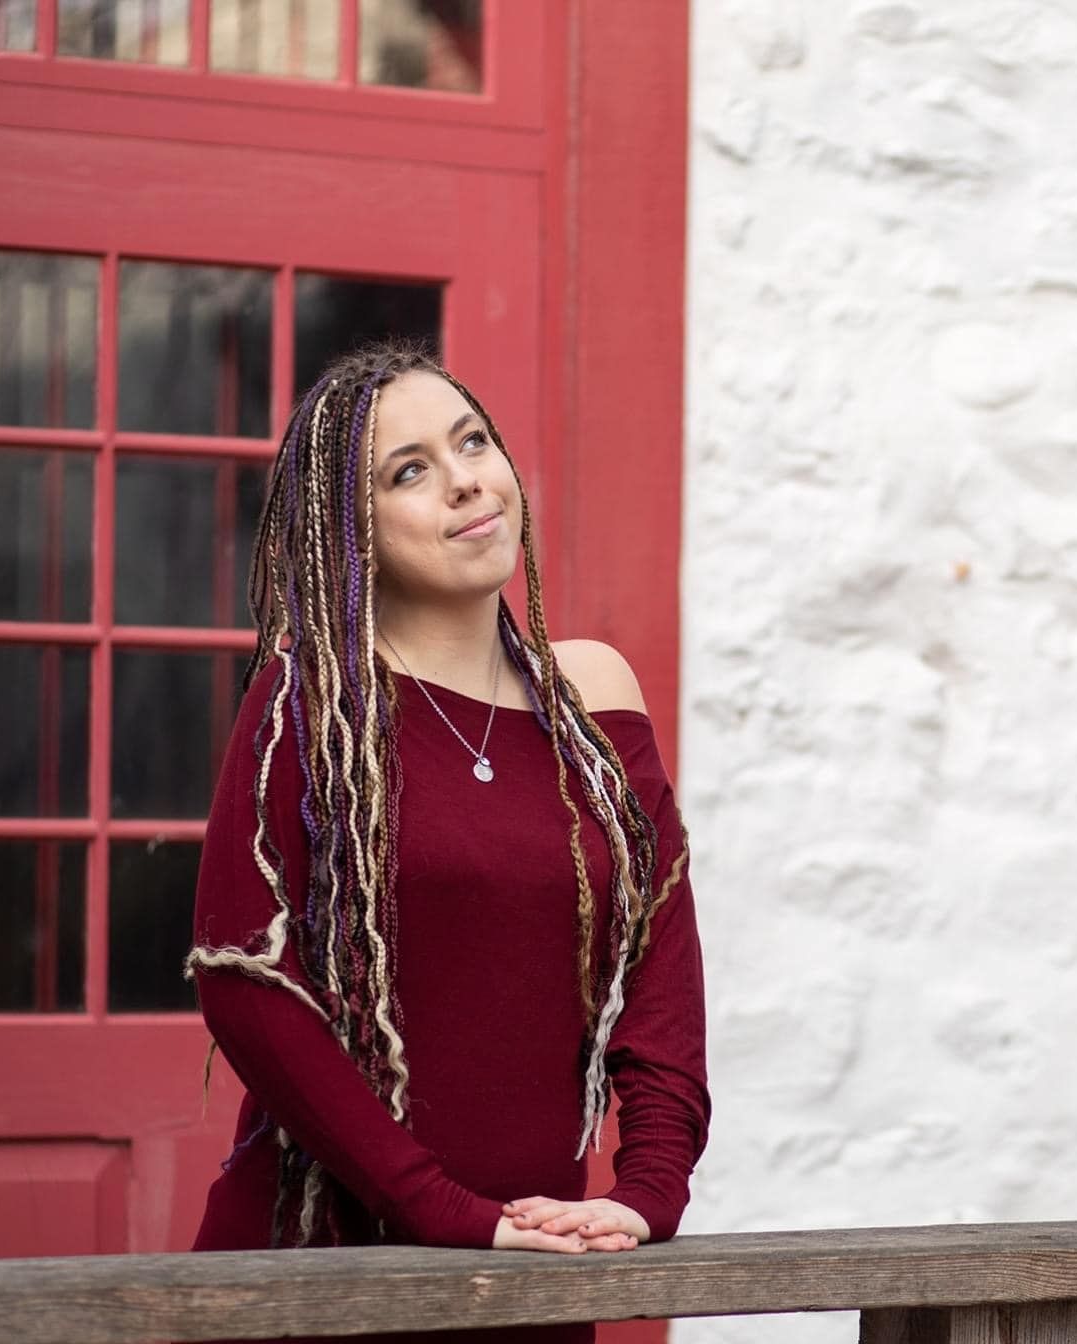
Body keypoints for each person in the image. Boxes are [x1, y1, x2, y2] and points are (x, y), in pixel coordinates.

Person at [184, 342, 709, 1343]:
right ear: (356, 529)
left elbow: (660, 967)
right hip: (331, 1268)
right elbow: (244, 983)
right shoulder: (313, 702)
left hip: (541, 1267)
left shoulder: (592, 692)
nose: (465, 477)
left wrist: (644, 1191)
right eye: (408, 470)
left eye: (471, 441)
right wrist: (438, 1208)